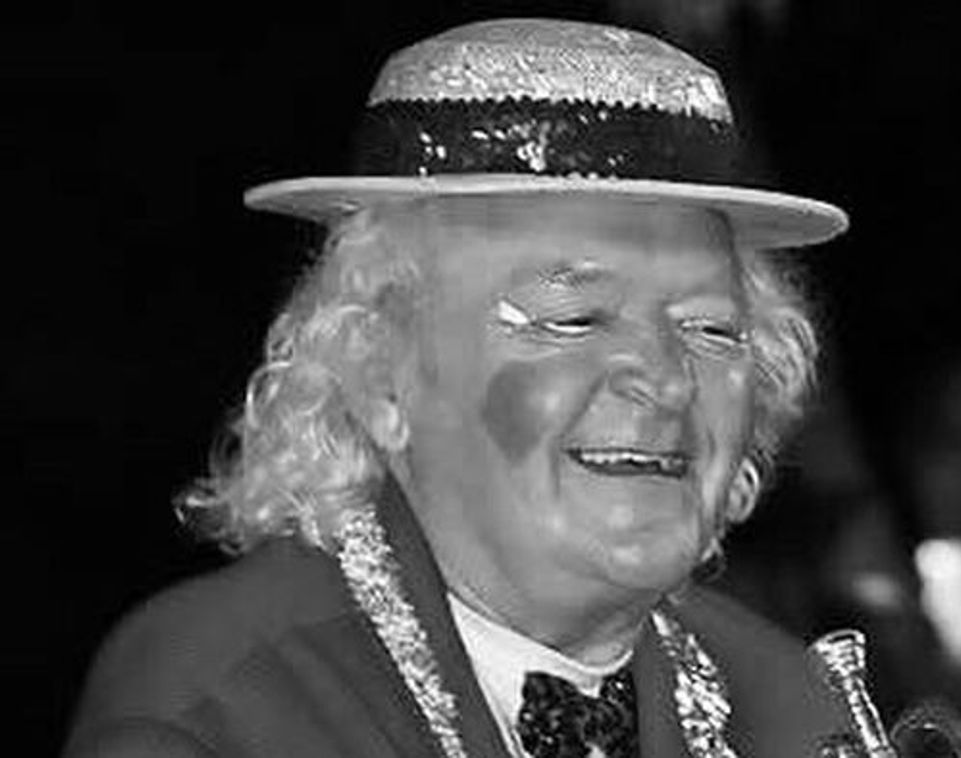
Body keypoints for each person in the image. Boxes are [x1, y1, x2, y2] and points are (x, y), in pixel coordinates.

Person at [63, 17, 856, 758]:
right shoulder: (222, 702)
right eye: (572, 319)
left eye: (711, 330)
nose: (667, 380)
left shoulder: (792, 706)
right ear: (379, 373)